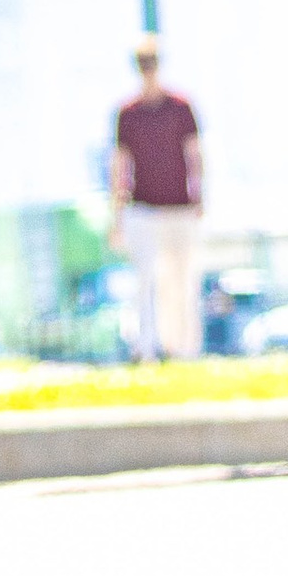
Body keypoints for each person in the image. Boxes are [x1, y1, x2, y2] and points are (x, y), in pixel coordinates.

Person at [111, 36, 206, 360]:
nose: (148, 71)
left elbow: (194, 152)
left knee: (182, 280)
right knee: (145, 281)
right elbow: (120, 164)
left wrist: (200, 195)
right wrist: (117, 215)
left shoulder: (181, 106)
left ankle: (184, 348)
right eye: (143, 65)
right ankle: (146, 347)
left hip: (179, 205)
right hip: (144, 207)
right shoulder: (127, 113)